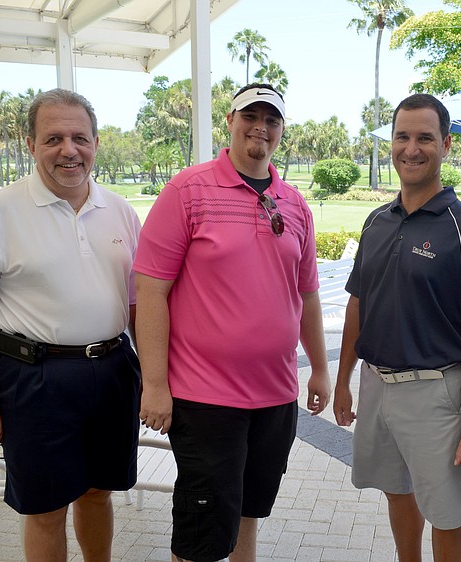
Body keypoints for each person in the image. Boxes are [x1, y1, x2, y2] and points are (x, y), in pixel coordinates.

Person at [133, 83, 331, 562]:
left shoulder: (295, 204)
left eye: (272, 119)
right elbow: (150, 292)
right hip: (205, 398)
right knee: (203, 530)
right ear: (230, 119)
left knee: (249, 509)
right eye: (251, 115)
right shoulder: (188, 190)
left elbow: (306, 295)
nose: (260, 127)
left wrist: (320, 370)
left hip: (275, 395)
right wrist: (155, 383)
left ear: (282, 130)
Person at [0, 88, 142, 562]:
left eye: (80, 137)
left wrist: (157, 379)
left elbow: (139, 305)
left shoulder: (120, 211)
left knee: (98, 493)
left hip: (113, 371)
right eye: (53, 138)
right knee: (44, 509)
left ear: (97, 143)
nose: (68, 150)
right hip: (34, 380)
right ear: (31, 145)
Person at [333, 93, 461, 562]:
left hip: (436, 391)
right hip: (376, 383)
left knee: (447, 513)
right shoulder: (376, 221)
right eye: (402, 136)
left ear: (447, 145)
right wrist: (343, 382)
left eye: (425, 138)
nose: (411, 149)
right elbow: (358, 304)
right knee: (396, 490)